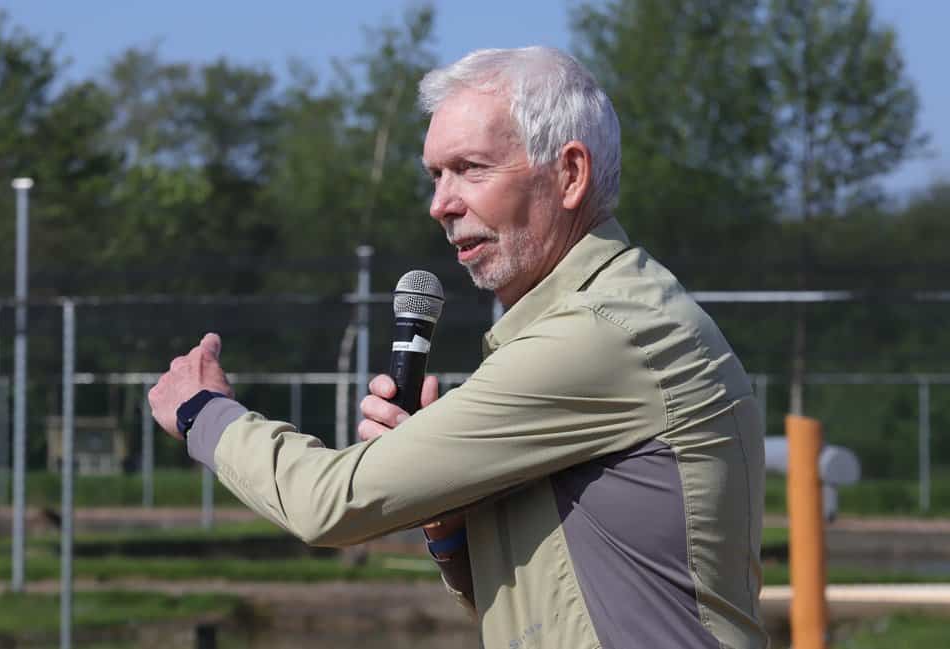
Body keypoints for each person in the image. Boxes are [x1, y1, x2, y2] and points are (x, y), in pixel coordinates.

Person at [149, 47, 768, 649]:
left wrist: (202, 412)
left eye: (471, 168)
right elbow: (551, 604)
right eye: (435, 175)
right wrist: (447, 524)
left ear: (570, 174)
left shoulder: (604, 332)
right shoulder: (578, 324)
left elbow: (328, 505)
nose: (440, 204)